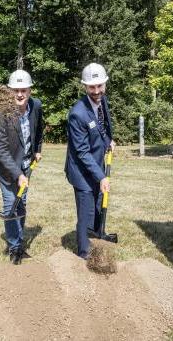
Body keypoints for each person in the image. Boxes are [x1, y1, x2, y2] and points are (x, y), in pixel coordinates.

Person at [0, 69, 43, 265]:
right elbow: (1, 150)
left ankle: (19, 244)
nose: (20, 94)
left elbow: (39, 129)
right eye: (16, 90)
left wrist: (37, 149)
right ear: (9, 91)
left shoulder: (36, 106)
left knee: (21, 204)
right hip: (6, 168)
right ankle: (14, 248)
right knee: (10, 204)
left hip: (26, 164)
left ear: (30, 90)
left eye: (24, 90)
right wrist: (17, 174)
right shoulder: (0, 115)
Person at [65, 62, 115, 259]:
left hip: (97, 166)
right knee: (86, 214)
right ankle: (85, 255)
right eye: (92, 87)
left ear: (105, 84)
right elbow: (82, 152)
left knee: (98, 207)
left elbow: (103, 125)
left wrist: (108, 140)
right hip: (82, 172)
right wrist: (101, 177)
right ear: (85, 87)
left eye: (100, 86)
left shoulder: (102, 101)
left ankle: (97, 245)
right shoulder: (77, 114)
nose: (96, 91)